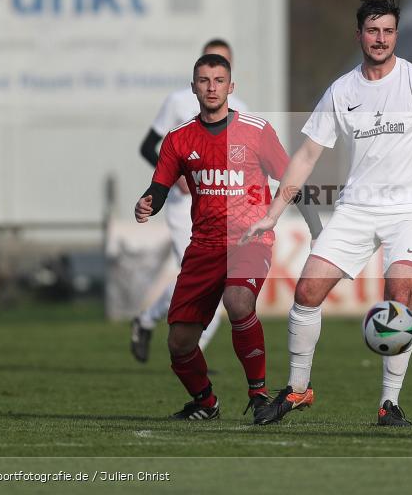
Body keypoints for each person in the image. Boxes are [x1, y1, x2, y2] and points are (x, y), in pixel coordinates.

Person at [245, 0, 412, 427]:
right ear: (359, 35)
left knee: (399, 298)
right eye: (373, 31)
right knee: (306, 293)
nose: (380, 39)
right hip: (356, 209)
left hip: (410, 211)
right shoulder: (341, 91)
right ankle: (298, 389)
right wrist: (274, 211)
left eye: (388, 31)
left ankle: (389, 404)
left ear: (397, 35)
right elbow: (306, 156)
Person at [134, 53, 321, 420]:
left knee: (238, 302)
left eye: (219, 81)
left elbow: (292, 181)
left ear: (230, 87)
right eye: (204, 81)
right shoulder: (178, 138)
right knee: (179, 343)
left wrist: (317, 229)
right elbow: (159, 187)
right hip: (203, 246)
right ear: (193, 88)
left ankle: (259, 394)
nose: (212, 88)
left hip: (249, 240)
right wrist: (146, 204)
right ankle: (206, 404)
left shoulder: (256, 130)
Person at [130, 39, 248, 363]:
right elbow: (148, 147)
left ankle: (150, 323)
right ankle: (189, 356)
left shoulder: (242, 110)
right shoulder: (179, 101)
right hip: (184, 207)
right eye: (208, 69)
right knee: (201, 283)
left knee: (211, 287)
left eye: (221, 69)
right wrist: (176, 176)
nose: (212, 83)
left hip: (223, 210)